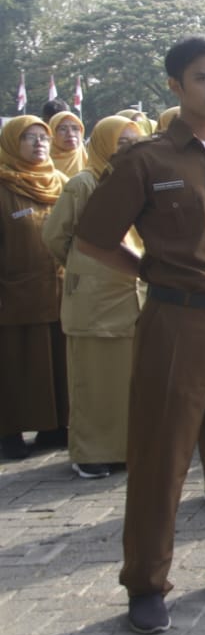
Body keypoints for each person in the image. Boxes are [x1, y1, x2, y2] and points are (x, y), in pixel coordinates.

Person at [73, 35, 205, 635]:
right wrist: (145, 270)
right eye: (203, 79)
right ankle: (145, 583)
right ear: (175, 85)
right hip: (174, 320)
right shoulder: (146, 161)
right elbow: (92, 239)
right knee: (161, 457)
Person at [41, 116, 143, 477]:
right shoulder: (83, 184)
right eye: (121, 141)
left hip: (133, 295)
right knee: (94, 380)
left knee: (127, 382)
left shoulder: (140, 182)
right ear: (103, 144)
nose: (129, 148)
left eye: (135, 141)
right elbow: (55, 236)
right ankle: (91, 453)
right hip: (93, 299)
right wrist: (83, 266)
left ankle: (128, 448)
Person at [0, 117, 68, 462]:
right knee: (15, 365)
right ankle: (9, 432)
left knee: (55, 363)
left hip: (58, 291)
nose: (39, 143)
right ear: (12, 142)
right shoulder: (4, 185)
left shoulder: (61, 183)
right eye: (29, 138)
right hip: (14, 295)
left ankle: (53, 427)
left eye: (43, 137)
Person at [49, 111, 87, 177]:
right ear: (52, 133)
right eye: (63, 129)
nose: (70, 134)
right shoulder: (41, 164)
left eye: (75, 128)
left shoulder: (90, 164)